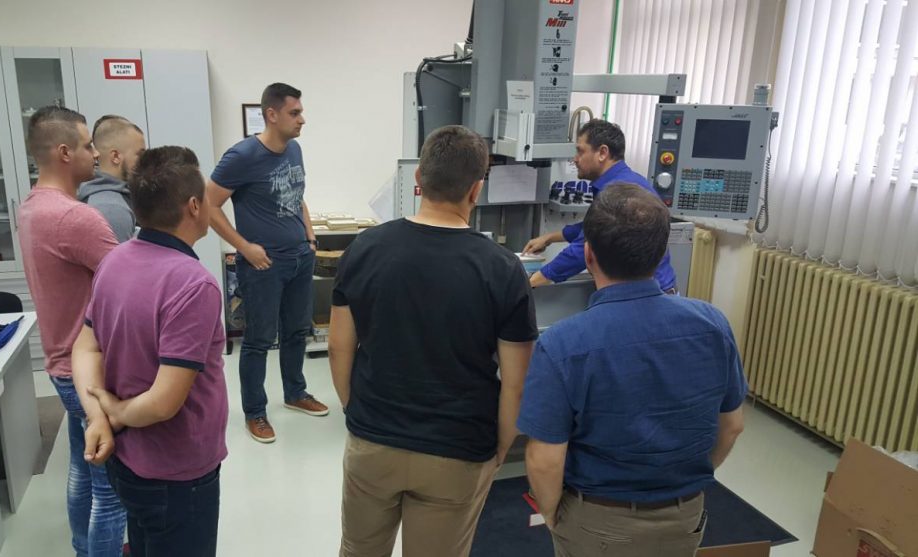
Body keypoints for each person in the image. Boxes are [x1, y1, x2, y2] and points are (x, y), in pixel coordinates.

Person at [329, 125, 538, 557]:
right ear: (476, 189)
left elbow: (338, 347)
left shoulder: (365, 248)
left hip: (374, 441)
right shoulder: (502, 269)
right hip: (457, 449)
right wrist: (500, 447)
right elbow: (517, 382)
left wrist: (357, 411)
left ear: (418, 178)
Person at [518, 184, 747, 556]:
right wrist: (685, 485)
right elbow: (732, 425)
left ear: (588, 254)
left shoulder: (562, 344)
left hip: (596, 521)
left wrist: (555, 516)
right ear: (661, 253)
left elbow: (544, 459)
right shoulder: (713, 324)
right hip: (685, 517)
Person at [73, 146, 229, 557]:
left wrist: (99, 418)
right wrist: (114, 413)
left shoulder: (115, 260)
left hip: (128, 462)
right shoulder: (193, 284)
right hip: (176, 474)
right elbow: (163, 403)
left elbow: (85, 348)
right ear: (194, 206)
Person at [17, 106, 126, 556]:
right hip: (88, 370)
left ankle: (84, 548)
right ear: (64, 152)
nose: (95, 154)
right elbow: (130, 282)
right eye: (87, 146)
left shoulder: (32, 206)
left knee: (84, 469)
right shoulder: (75, 218)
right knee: (111, 491)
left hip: (61, 363)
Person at [206, 82, 328, 444]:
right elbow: (209, 205)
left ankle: (295, 393)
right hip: (263, 265)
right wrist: (244, 247)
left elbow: (297, 195)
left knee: (296, 332)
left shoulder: (295, 149)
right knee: (259, 340)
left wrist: (309, 238)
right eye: (295, 113)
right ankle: (255, 412)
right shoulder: (242, 155)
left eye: (301, 112)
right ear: (271, 115)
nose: (302, 119)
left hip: (300, 258)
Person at [524, 119, 677, 293]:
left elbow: (582, 249)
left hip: (651, 295)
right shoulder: (623, 181)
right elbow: (592, 229)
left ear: (602, 153)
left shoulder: (619, 192)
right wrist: (549, 238)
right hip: (653, 289)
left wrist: (531, 282)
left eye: (580, 151)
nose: (575, 159)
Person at [78, 115, 146, 242]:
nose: (145, 161)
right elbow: (118, 256)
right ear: (115, 157)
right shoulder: (112, 209)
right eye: (140, 155)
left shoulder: (114, 199)